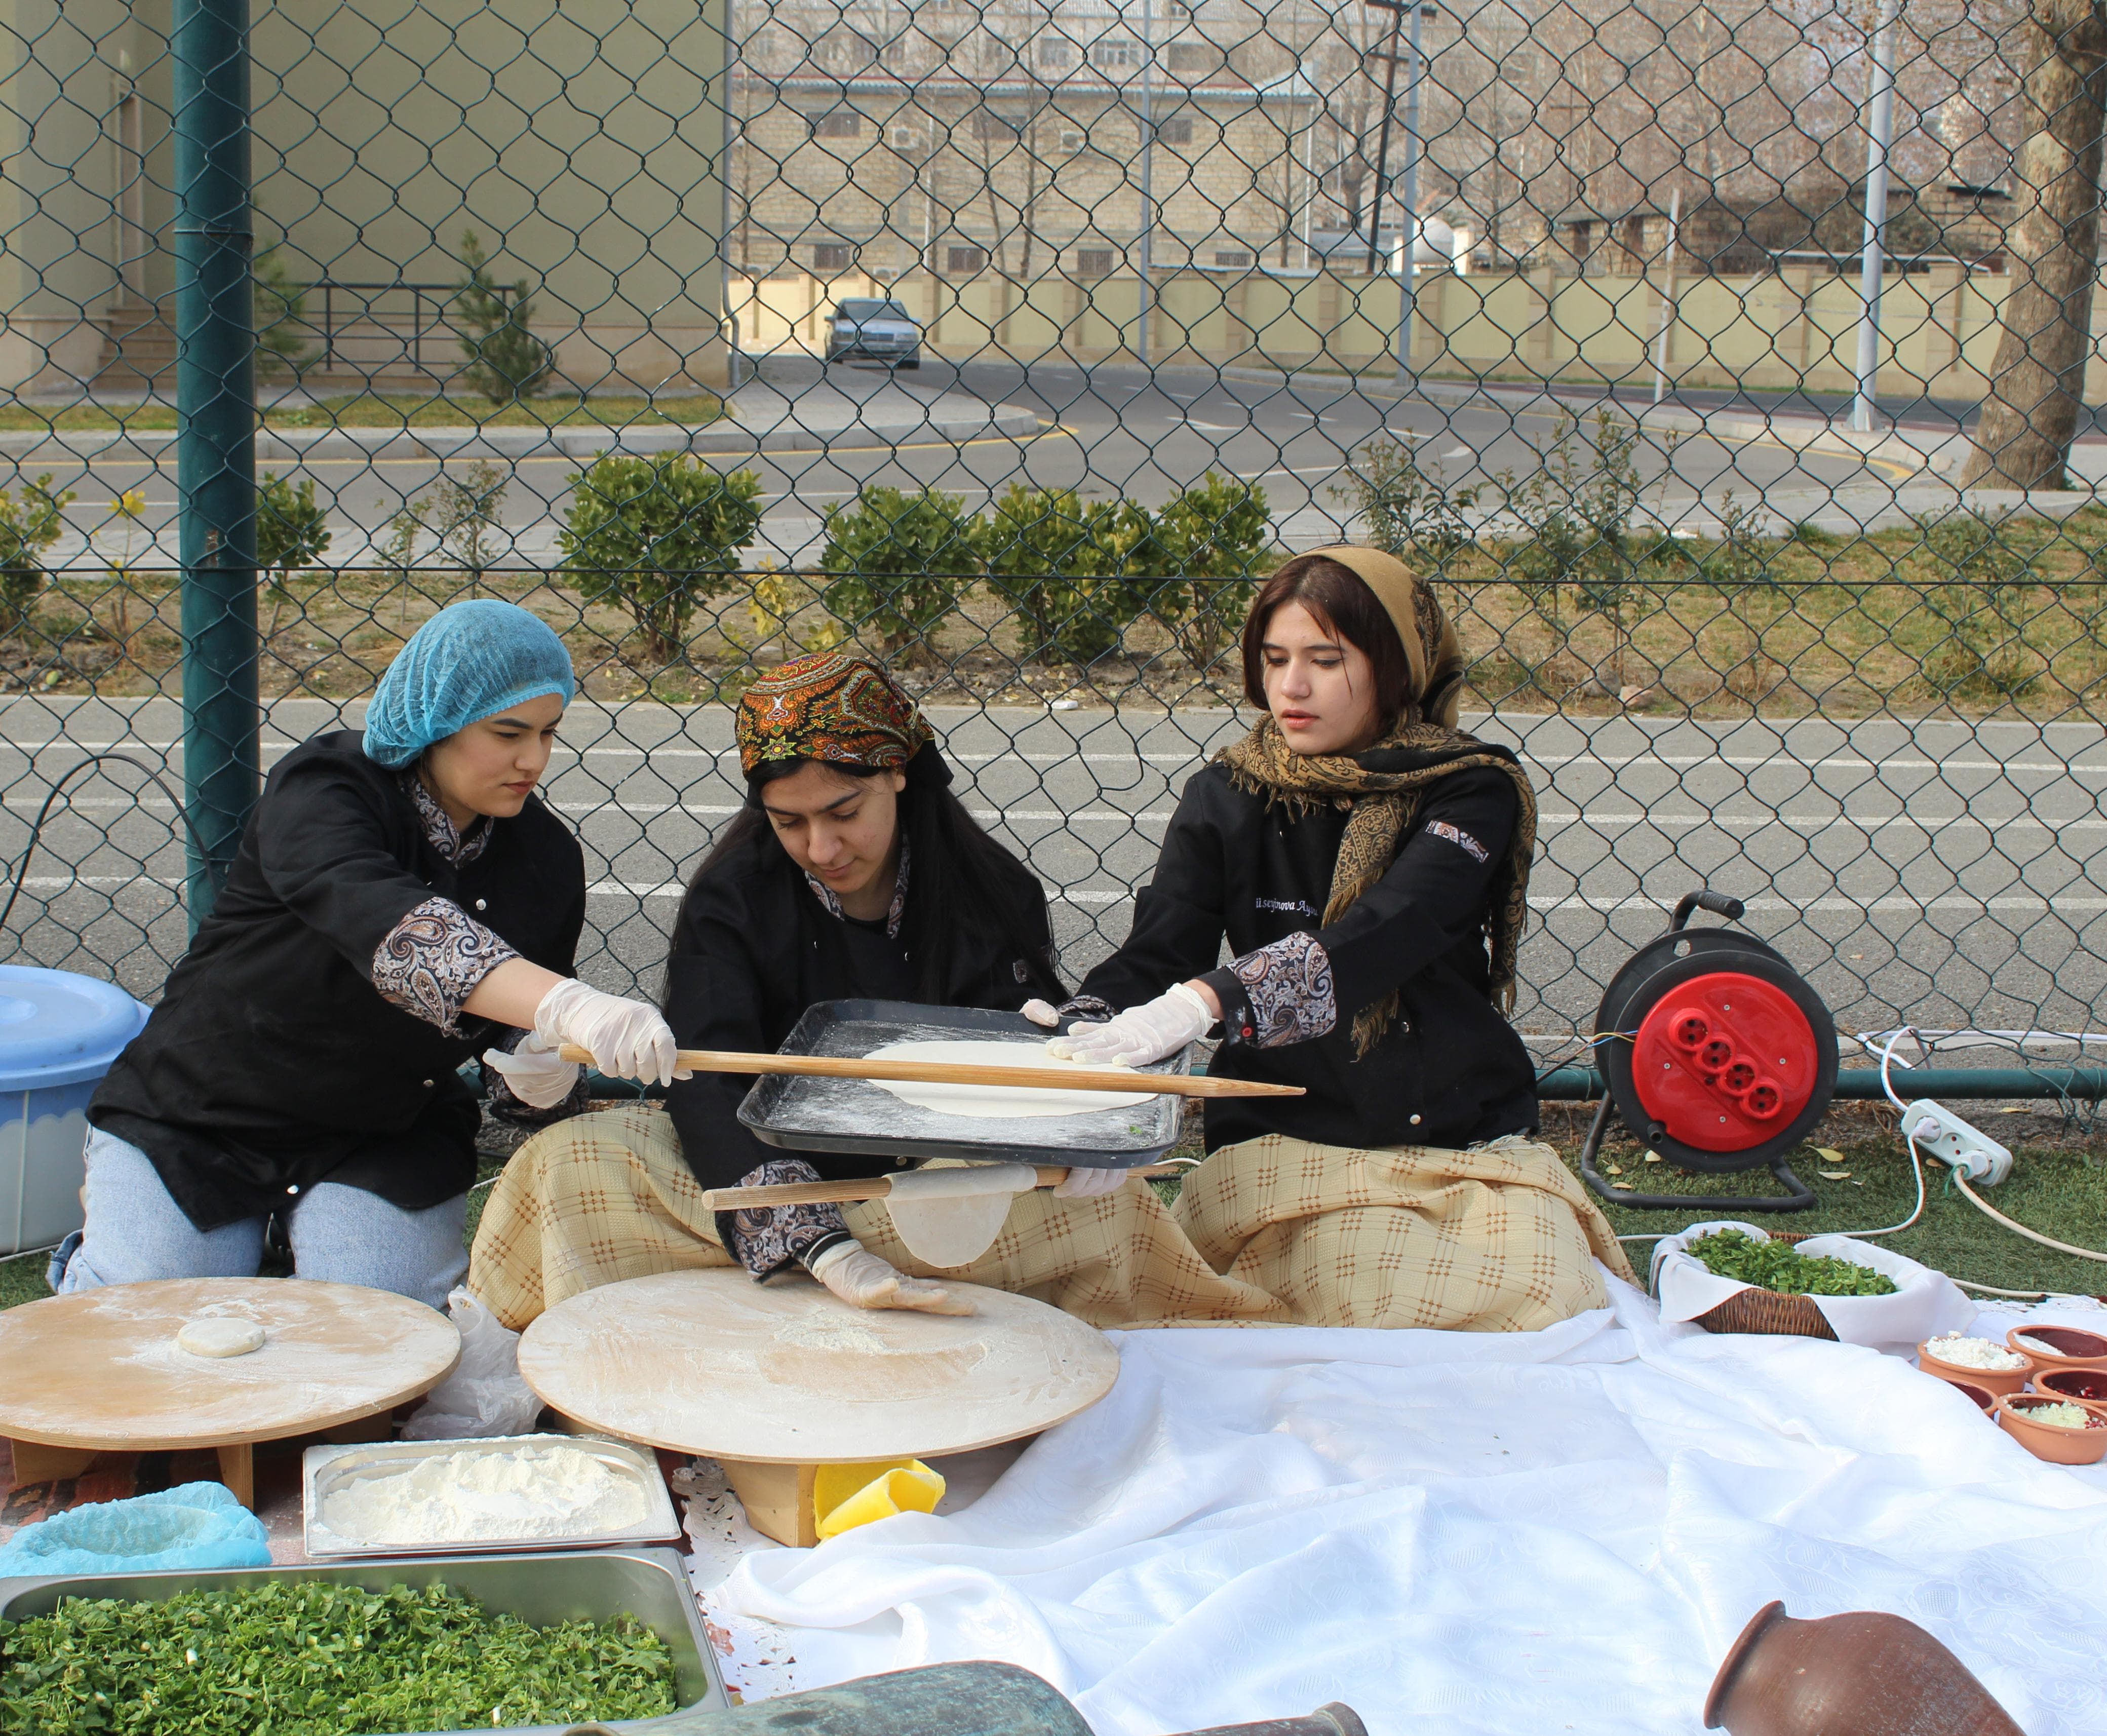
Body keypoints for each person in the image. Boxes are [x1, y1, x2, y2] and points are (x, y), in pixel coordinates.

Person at [1023, 545, 1632, 1327]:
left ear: (1395, 667)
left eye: (1325, 659)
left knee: (1540, 1304)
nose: (1291, 687)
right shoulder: (1228, 791)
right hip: (1287, 1135)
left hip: (1462, 1141)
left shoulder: (1472, 787)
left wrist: (1209, 1000)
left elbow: (1394, 927)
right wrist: (1091, 1025)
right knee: (1352, 1308)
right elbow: (1162, 947)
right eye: (1274, 659)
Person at [55, 600, 685, 1310]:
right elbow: (383, 921)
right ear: (436, 721)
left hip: (384, 1134)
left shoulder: (543, 856)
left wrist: (538, 1064)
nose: (533, 760)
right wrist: (564, 1003)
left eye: (548, 734)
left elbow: (515, 1051)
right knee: (147, 1315)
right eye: (508, 732)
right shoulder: (327, 785)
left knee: (384, 1335)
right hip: (199, 1115)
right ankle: (114, 1254)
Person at [471, 650, 1117, 1325]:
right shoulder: (732, 898)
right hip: (755, 1173)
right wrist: (821, 1240)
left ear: (897, 772)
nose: (822, 848)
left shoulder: (991, 888)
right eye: (789, 823)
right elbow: (706, 1077)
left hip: (934, 1184)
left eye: (844, 812)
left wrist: (1058, 1093)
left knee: (1094, 1201)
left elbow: (1017, 1061)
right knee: (573, 1161)